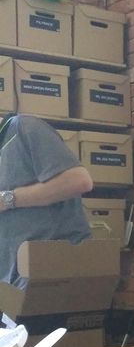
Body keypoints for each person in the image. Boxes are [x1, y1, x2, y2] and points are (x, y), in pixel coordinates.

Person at [0, 113, 93, 289]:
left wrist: (8, 199)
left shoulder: (24, 128)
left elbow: (79, 181)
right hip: (12, 282)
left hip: (53, 272)